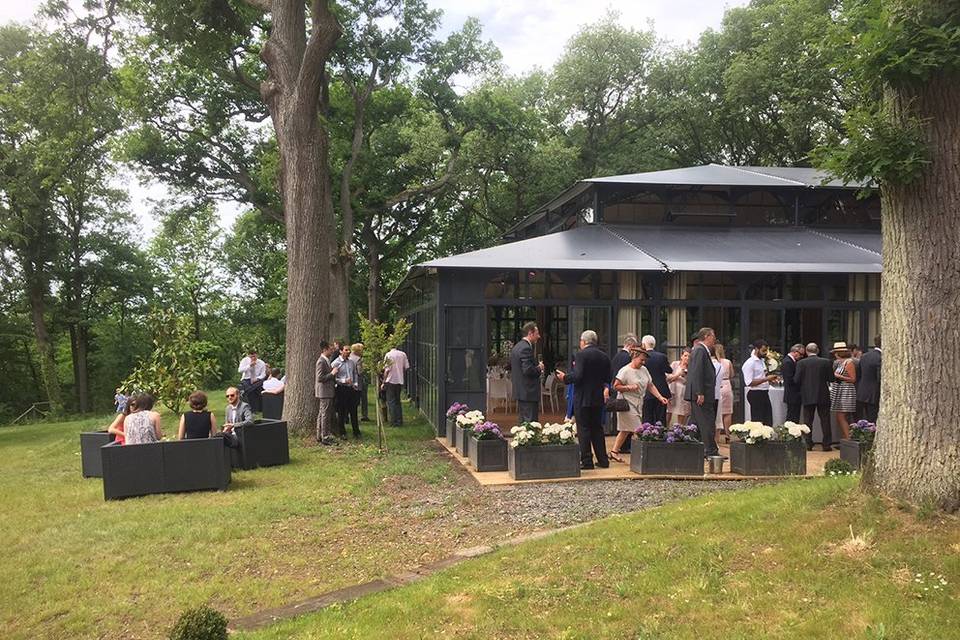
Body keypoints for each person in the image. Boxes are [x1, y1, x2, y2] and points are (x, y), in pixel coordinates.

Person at [556, 330, 612, 469]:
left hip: (582, 397)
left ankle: (587, 461)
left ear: (583, 341)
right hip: (598, 397)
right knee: (597, 429)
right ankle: (603, 460)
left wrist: (565, 378)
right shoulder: (604, 356)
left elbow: (578, 375)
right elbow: (608, 378)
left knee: (584, 429)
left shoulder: (581, 355)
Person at [610, 347, 669, 462]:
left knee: (625, 430)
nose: (643, 362)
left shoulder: (644, 370)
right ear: (634, 357)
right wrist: (628, 387)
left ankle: (614, 452)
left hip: (638, 402)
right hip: (627, 403)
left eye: (644, 360)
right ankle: (644, 455)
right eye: (641, 360)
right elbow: (615, 386)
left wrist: (660, 397)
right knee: (639, 429)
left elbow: (650, 385)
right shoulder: (625, 370)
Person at [794, 342, 834, 451]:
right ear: (818, 351)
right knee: (825, 420)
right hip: (823, 394)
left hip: (808, 394)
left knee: (808, 421)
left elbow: (796, 380)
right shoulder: (826, 362)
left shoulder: (801, 363)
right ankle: (826, 444)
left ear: (806, 352)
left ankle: (808, 443)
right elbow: (831, 378)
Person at [685, 327, 718, 457]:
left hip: (701, 393)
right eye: (713, 336)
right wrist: (700, 392)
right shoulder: (700, 350)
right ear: (706, 336)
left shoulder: (702, 350)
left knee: (696, 423)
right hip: (701, 394)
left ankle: (690, 447)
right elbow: (697, 372)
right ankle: (710, 450)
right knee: (706, 422)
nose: (714, 339)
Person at [510, 322, 544, 424]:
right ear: (530, 333)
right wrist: (539, 368)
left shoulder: (517, 347)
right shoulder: (526, 348)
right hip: (528, 392)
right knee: (530, 424)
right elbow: (528, 370)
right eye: (537, 333)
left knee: (523, 422)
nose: (539, 336)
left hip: (522, 392)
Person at [741, 339, 777, 426]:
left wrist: (770, 379)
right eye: (763, 350)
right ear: (757, 349)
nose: (765, 353)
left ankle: (766, 437)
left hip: (764, 392)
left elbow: (762, 375)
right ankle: (758, 437)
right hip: (755, 393)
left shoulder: (761, 361)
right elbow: (749, 382)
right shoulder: (750, 363)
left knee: (768, 420)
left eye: (766, 350)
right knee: (758, 421)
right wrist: (766, 379)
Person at [640, 335, 672, 426]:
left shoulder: (641, 358)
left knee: (647, 416)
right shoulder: (661, 357)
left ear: (643, 344)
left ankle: (646, 436)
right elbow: (669, 370)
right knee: (661, 417)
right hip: (661, 390)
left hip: (647, 390)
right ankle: (660, 437)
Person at [830, 341, 858, 440]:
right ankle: (847, 437)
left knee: (841, 416)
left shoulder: (849, 362)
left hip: (846, 390)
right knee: (840, 416)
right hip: (840, 390)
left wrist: (838, 376)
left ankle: (848, 438)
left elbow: (853, 379)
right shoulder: (841, 362)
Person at [332, 344, 361, 438]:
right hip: (341, 389)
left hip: (351, 388)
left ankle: (356, 431)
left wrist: (355, 383)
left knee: (353, 410)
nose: (348, 352)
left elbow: (355, 373)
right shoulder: (336, 363)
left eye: (349, 350)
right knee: (342, 411)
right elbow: (333, 378)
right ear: (341, 351)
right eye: (346, 350)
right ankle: (342, 432)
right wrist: (343, 380)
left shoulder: (351, 362)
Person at [315, 341, 338, 445]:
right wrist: (332, 374)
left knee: (322, 413)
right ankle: (325, 436)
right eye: (330, 349)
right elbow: (320, 378)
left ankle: (319, 435)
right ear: (325, 349)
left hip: (326, 391)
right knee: (325, 414)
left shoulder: (326, 360)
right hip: (324, 391)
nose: (332, 350)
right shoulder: (321, 361)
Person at [383, 343, 410, 426]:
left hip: (390, 380)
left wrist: (384, 381)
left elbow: (387, 369)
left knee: (391, 401)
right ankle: (399, 420)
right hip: (399, 380)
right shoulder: (403, 354)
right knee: (398, 401)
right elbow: (406, 367)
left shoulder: (388, 355)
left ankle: (393, 421)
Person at [856, 336, 882, 423]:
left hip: (862, 392)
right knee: (873, 418)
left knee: (864, 419)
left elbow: (859, 374)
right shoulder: (880, 358)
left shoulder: (864, 356)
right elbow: (879, 378)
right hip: (874, 393)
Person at [714, 343, 735, 438]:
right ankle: (727, 435)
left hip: (717, 385)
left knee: (717, 411)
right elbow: (732, 374)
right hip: (726, 384)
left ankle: (716, 435)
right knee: (727, 412)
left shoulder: (713, 362)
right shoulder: (727, 362)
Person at [781, 344, 805, 423]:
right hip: (792, 394)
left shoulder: (791, 361)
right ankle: (790, 434)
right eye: (801, 354)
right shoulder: (788, 362)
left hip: (794, 394)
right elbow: (789, 379)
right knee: (792, 417)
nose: (801, 356)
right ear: (795, 352)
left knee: (794, 417)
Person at [668, 349, 691, 425]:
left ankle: (680, 432)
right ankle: (665, 430)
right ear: (681, 356)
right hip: (673, 391)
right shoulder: (675, 364)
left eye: (689, 356)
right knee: (668, 412)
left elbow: (690, 382)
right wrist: (678, 374)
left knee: (682, 412)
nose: (687, 358)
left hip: (683, 392)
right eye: (685, 355)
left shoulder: (691, 367)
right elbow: (668, 378)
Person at [350, 343, 369, 422]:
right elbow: (360, 371)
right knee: (363, 398)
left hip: (350, 381)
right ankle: (364, 415)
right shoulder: (358, 359)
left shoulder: (349, 358)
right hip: (359, 381)